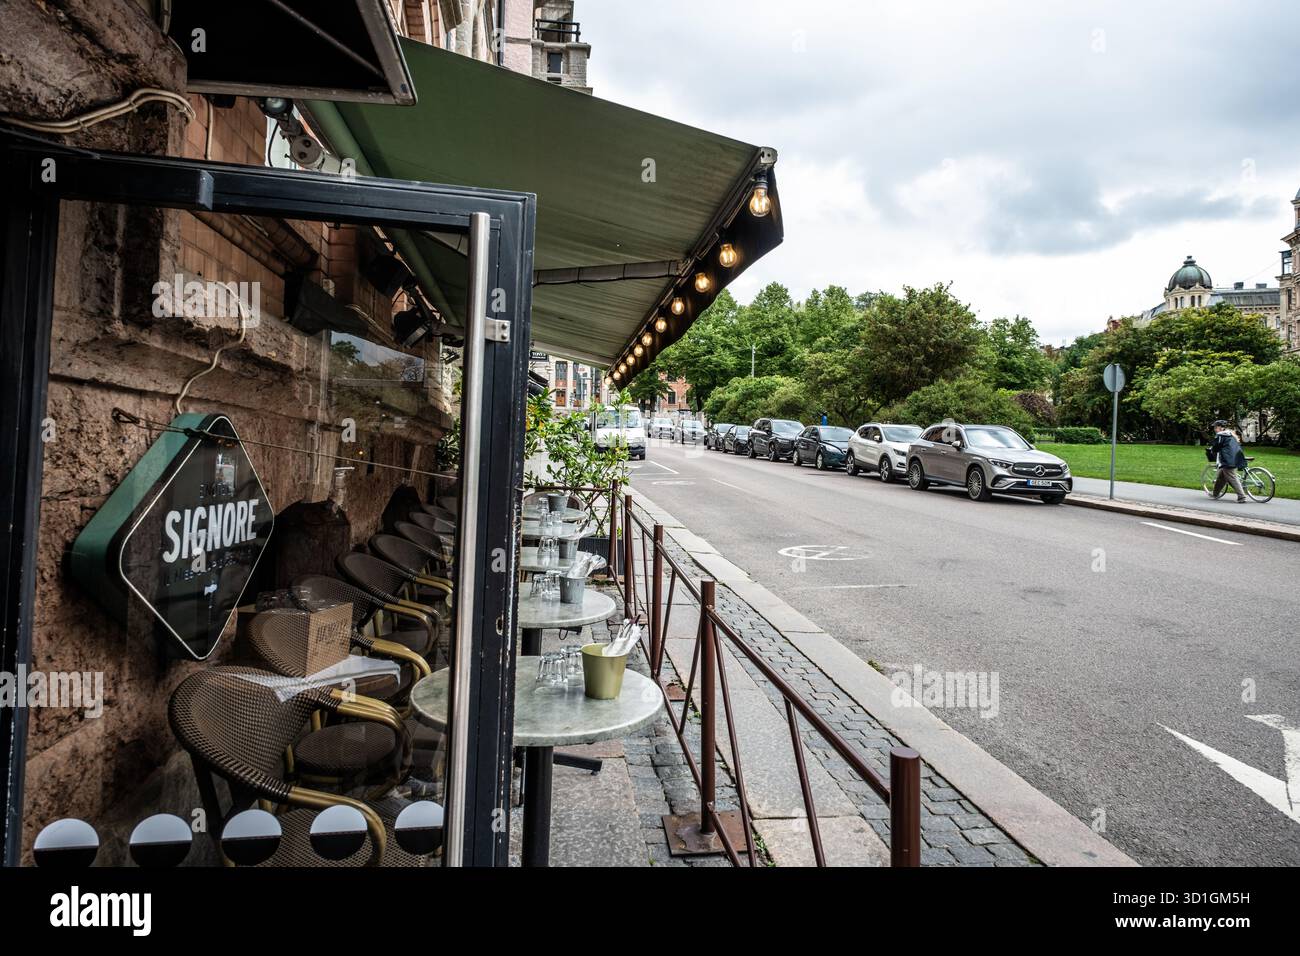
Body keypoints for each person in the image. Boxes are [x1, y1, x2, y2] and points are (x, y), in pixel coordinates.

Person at [1207, 420, 1248, 502]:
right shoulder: (1231, 434)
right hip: (1236, 457)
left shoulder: (1220, 435)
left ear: (1220, 428)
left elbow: (1216, 446)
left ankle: (1241, 496)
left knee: (1232, 477)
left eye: (1215, 427)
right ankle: (1215, 493)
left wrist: (1211, 450)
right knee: (1221, 477)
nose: (1214, 429)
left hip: (1228, 459)